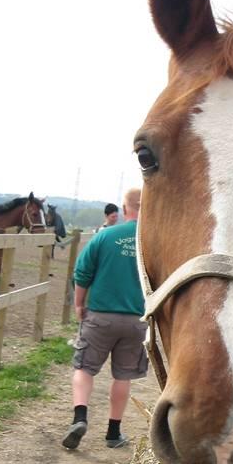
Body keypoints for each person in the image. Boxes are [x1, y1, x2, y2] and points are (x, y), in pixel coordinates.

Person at [62, 187, 147, 450]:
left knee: (84, 369)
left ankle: (80, 418)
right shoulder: (154, 241)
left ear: (124, 209)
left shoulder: (105, 236)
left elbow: (82, 271)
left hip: (100, 316)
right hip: (136, 320)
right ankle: (113, 433)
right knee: (123, 376)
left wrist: (78, 304)